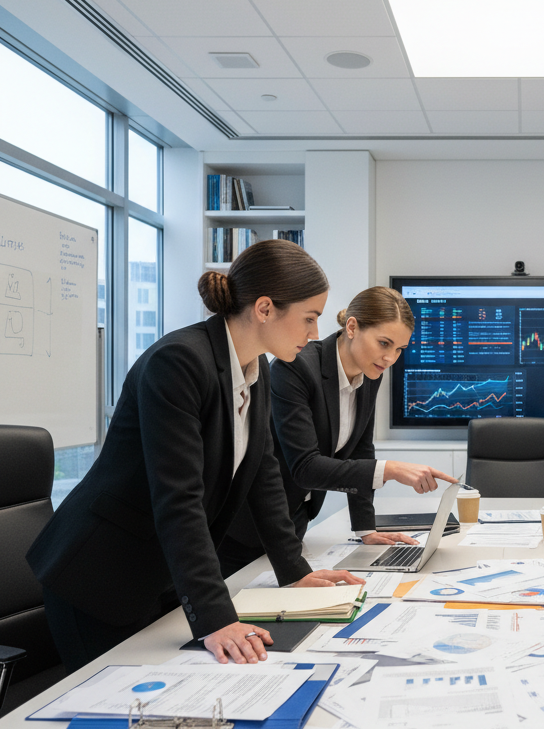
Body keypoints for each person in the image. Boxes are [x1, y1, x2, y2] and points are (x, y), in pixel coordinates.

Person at [27, 240, 364, 673]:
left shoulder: (252, 370)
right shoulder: (180, 362)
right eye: (309, 318)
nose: (316, 333)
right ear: (264, 309)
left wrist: (294, 572)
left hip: (160, 574)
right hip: (101, 578)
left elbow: (263, 478)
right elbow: (179, 496)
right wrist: (217, 618)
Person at [253, 285, 459, 559]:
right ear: (352, 327)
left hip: (296, 517)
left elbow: (361, 449)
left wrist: (366, 528)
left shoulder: (370, 372)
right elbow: (305, 467)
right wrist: (391, 469)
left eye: (400, 349)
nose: (390, 358)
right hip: (251, 521)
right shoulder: (294, 368)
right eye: (384, 343)